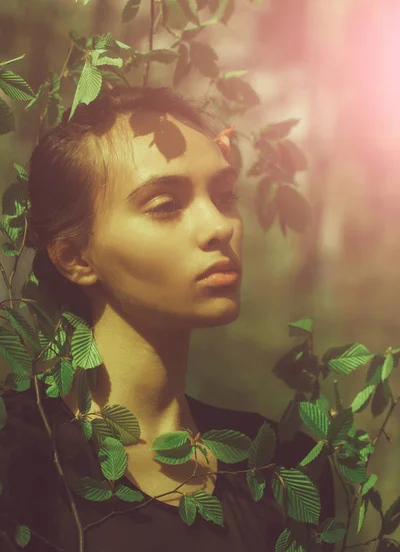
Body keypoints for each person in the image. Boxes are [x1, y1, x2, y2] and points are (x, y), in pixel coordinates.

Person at [0, 87, 335, 551]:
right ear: (75, 257)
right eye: (165, 205)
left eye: (224, 195)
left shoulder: (286, 464)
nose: (220, 226)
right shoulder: (19, 458)